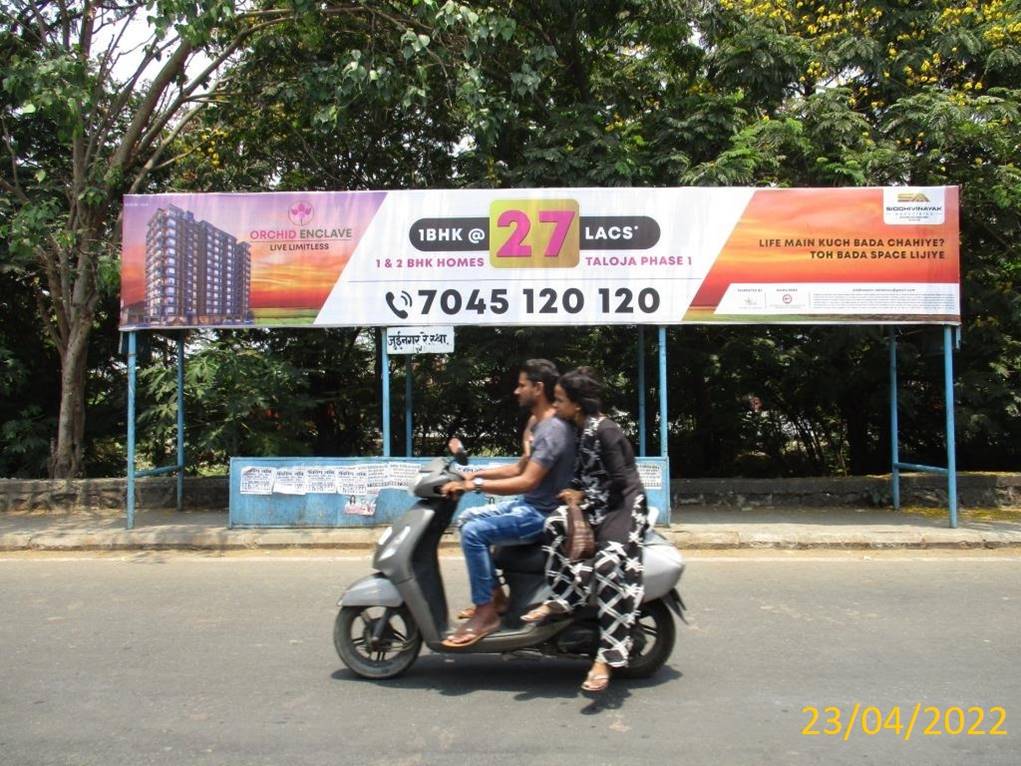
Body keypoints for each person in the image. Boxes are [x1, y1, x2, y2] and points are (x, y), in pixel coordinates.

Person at [523, 367, 649, 694]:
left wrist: (583, 497)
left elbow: (619, 482)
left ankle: (606, 657)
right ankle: (567, 597)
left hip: (623, 507)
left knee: (607, 566)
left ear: (577, 404)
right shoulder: (579, 429)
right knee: (553, 524)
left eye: (560, 400)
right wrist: (573, 491)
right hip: (597, 502)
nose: (556, 405)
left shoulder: (606, 430)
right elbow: (584, 472)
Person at [439, 359, 576, 648]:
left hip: (541, 514)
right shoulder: (539, 424)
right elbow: (519, 468)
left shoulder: (552, 430)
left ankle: (486, 612)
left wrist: (474, 485)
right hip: (529, 505)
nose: (516, 391)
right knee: (466, 519)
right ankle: (497, 598)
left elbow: (527, 481)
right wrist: (473, 474)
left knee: (474, 532)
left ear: (538, 388)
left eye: (522, 385)